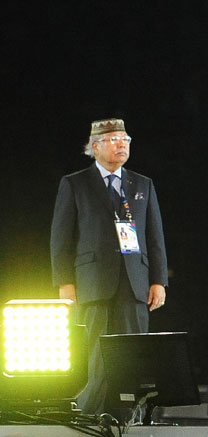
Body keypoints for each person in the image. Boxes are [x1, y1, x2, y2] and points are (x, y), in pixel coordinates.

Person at [50, 118, 168, 415]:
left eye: (126, 140)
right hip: (93, 283)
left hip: (135, 281)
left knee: (134, 354)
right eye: (114, 139)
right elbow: (61, 238)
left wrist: (158, 280)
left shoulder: (142, 184)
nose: (121, 145)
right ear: (95, 147)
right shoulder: (75, 183)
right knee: (96, 354)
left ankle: (132, 419)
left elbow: (154, 236)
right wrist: (65, 283)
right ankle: (89, 415)